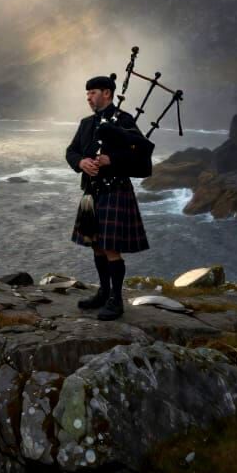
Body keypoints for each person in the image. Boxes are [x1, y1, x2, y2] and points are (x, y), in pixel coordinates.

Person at [65, 75, 149, 320]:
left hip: (115, 190)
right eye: (87, 94)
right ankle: (103, 292)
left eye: (93, 93)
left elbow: (143, 158)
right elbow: (71, 151)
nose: (89, 98)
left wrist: (113, 160)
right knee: (97, 245)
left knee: (111, 248)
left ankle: (116, 300)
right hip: (92, 192)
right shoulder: (86, 123)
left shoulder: (124, 121)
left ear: (107, 93)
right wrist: (81, 162)